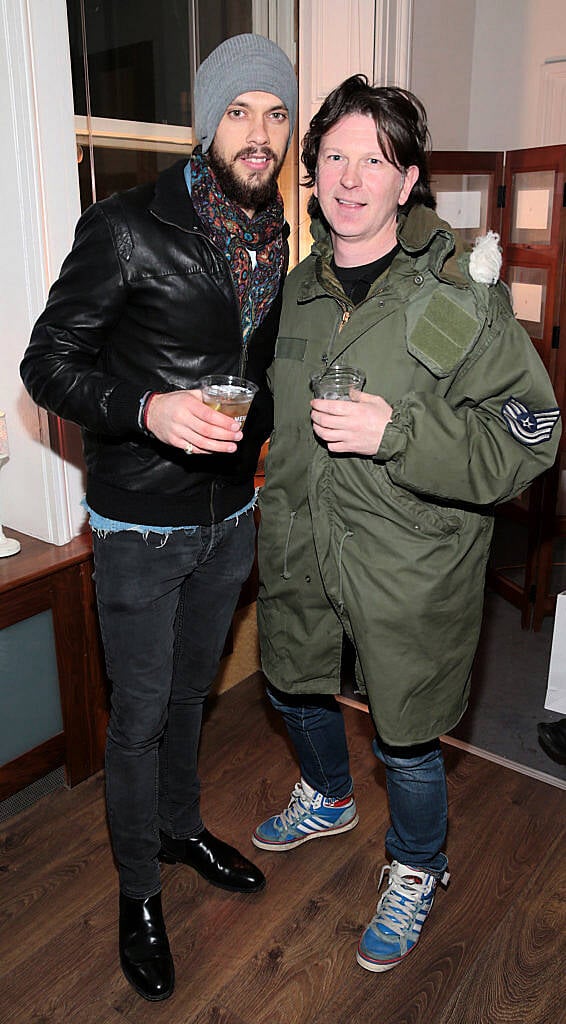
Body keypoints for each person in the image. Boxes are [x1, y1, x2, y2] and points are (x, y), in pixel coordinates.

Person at [252, 75, 561, 975]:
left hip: (412, 560)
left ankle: (419, 864)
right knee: (290, 686)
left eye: (374, 161)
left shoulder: (461, 291)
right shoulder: (299, 288)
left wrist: (401, 432)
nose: (351, 178)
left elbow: (532, 432)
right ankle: (329, 794)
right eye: (334, 158)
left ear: (407, 179)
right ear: (310, 174)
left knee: (408, 737)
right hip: (302, 540)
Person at [20, 34, 297, 1002]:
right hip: (138, 527)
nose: (258, 135)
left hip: (231, 517)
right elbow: (44, 365)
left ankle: (178, 828)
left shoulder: (277, 235)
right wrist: (148, 409)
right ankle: (140, 890)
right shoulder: (125, 226)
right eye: (239, 112)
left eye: (275, 115)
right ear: (206, 121)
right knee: (136, 719)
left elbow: (251, 369)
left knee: (192, 698)